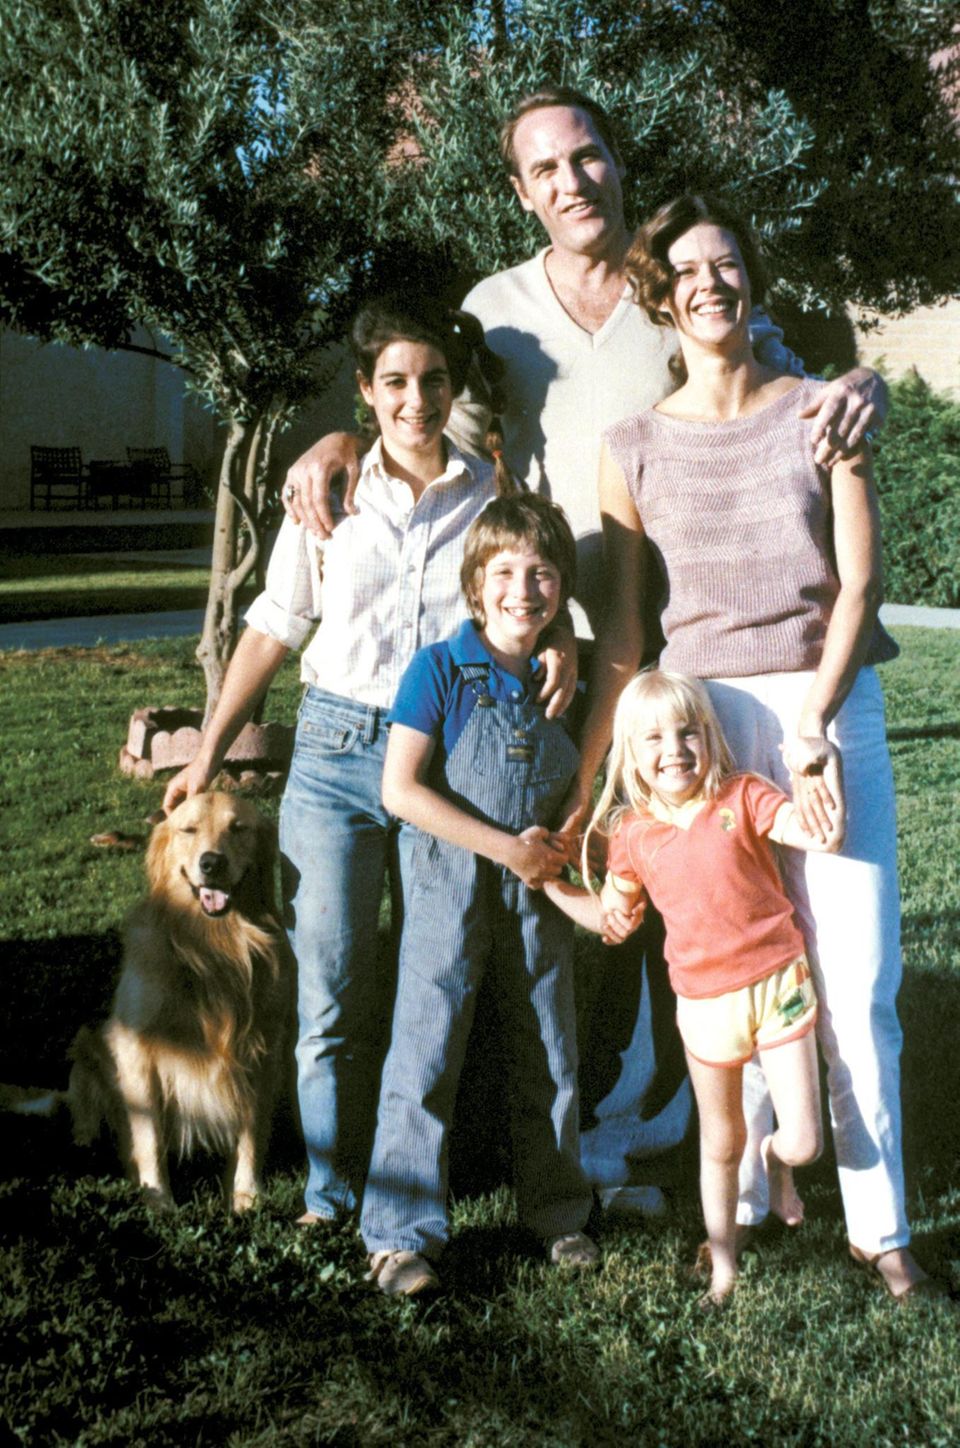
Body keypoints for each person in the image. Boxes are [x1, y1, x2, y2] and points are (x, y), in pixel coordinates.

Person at [281, 87, 888, 1215]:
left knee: (727, 857)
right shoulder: (495, 311)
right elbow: (429, 436)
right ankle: (604, 1096)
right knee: (590, 863)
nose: (571, 182)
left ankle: (691, 1092)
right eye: (545, 170)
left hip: (703, 622)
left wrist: (871, 384)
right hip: (566, 638)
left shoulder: (675, 281)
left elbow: (800, 383)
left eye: (587, 158)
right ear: (521, 191)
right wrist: (334, 437)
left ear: (617, 161)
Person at [570, 191, 940, 1301]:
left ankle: (884, 1231)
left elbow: (863, 580)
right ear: (659, 294)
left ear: (752, 278)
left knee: (858, 970)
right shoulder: (628, 448)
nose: (711, 284)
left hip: (826, 706)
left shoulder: (824, 410)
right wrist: (598, 777)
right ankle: (734, 1203)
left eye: (727, 264)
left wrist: (818, 719)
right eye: (687, 271)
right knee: (733, 961)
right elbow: (631, 632)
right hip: (701, 725)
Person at [161, 293, 570, 1227]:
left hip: (450, 760)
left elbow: (521, 597)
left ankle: (420, 1180)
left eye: (432, 381)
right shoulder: (329, 492)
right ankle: (331, 1191)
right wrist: (210, 748)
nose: (416, 401)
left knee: (440, 984)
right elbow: (274, 625)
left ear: (452, 388)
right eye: (395, 382)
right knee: (331, 991)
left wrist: (567, 643)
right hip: (337, 755)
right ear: (366, 390)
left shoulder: (490, 498)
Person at [361, 493, 597, 1297]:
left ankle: (561, 1214)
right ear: (473, 586)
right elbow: (400, 790)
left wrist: (555, 859)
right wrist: (507, 850)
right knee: (425, 1049)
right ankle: (398, 1236)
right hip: (447, 883)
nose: (522, 590)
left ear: (562, 588)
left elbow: (586, 778)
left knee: (550, 1051)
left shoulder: (567, 677)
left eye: (541, 573)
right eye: (503, 573)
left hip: (541, 893)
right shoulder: (439, 668)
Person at [548, 670, 842, 1306]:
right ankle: (723, 1267)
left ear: (709, 736)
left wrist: (820, 772)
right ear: (630, 754)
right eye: (653, 737)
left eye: (688, 732)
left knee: (804, 1139)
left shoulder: (744, 797)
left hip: (777, 983)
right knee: (720, 1140)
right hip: (706, 1006)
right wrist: (549, 883)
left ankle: (779, 1164)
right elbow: (612, 921)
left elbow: (818, 832)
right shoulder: (634, 837)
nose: (674, 749)